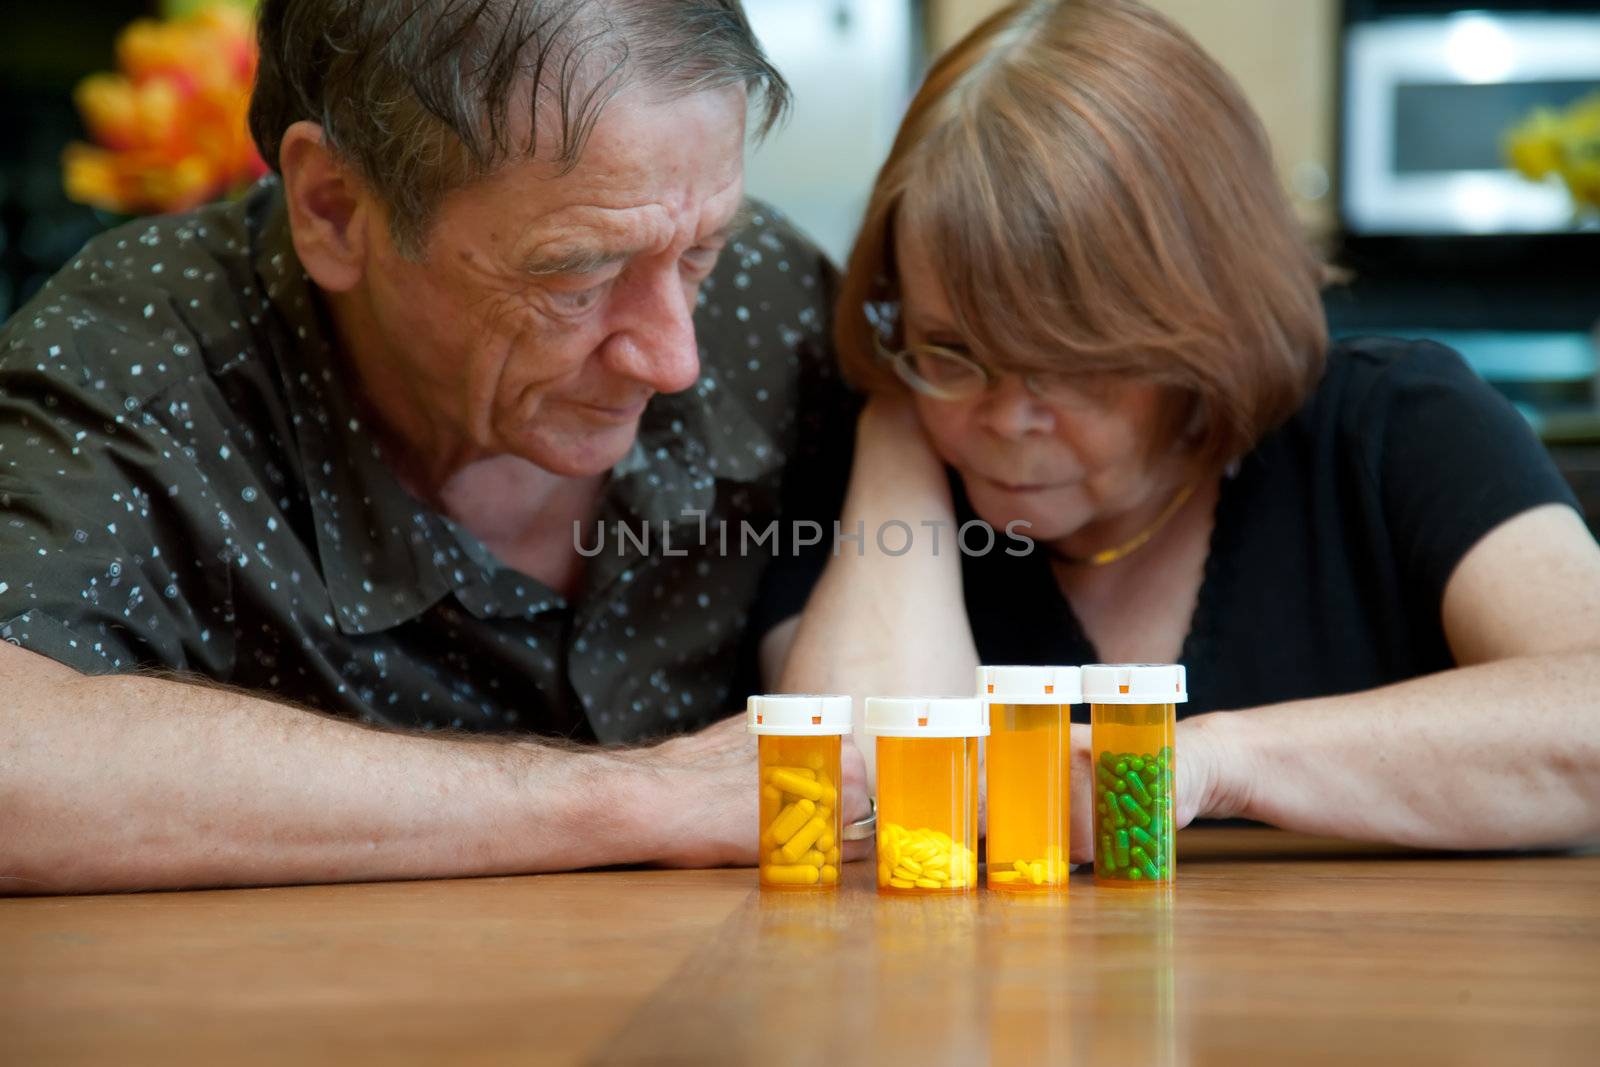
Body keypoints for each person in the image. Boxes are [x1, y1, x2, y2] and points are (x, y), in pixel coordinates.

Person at [0, 0, 868, 895]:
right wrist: (637, 798)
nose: (675, 356)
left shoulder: (771, 302)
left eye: (701, 253)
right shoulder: (145, 360)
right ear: (334, 209)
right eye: (580, 277)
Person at [763, 0, 1600, 855]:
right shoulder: (874, 450)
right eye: (955, 344)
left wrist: (1206, 760)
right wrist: (903, 410)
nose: (1009, 418)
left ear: (1201, 320)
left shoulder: (1396, 427)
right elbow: (853, 814)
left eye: (1073, 362)